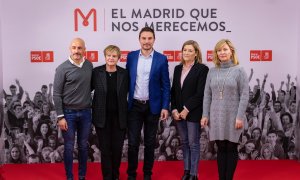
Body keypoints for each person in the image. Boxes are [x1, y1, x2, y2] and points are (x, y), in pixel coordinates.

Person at [201, 39, 249, 180]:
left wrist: (240, 117)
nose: (222, 52)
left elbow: (244, 95)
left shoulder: (239, 70)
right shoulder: (212, 71)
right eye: (219, 50)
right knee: (221, 148)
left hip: (234, 117)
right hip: (216, 116)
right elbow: (207, 95)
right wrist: (205, 115)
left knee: (231, 148)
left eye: (225, 49)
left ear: (231, 51)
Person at [126, 26, 170, 180]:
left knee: (150, 143)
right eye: (143, 38)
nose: (146, 41)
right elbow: (126, 81)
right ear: (139, 39)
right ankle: (131, 174)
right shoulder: (131, 57)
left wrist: (165, 106)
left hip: (153, 106)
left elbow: (166, 85)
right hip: (134, 106)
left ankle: (147, 174)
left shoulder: (161, 59)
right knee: (132, 143)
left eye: (149, 38)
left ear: (154, 39)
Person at [53, 38, 93, 180]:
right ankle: (69, 177)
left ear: (84, 49)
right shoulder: (62, 68)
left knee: (83, 146)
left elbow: (89, 86)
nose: (77, 51)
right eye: (74, 47)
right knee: (69, 147)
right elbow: (56, 94)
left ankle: (82, 176)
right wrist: (60, 117)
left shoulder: (89, 65)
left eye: (80, 48)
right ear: (70, 49)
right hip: (68, 114)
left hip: (86, 113)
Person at [171, 40, 208, 180]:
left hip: (193, 113)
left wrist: (186, 109)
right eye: (184, 50)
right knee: (185, 143)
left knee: (193, 143)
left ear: (196, 53)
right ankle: (186, 171)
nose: (186, 52)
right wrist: (174, 109)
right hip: (178, 114)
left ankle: (193, 174)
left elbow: (200, 93)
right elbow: (174, 91)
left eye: (190, 50)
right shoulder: (177, 68)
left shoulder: (202, 69)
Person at [91, 45, 128, 180]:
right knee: (105, 150)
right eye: (109, 55)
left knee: (117, 150)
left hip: (120, 118)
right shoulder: (96, 72)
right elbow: (87, 90)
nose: (111, 58)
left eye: (114, 56)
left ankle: (115, 176)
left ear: (118, 58)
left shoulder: (124, 73)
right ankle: (107, 177)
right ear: (105, 56)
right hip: (102, 118)